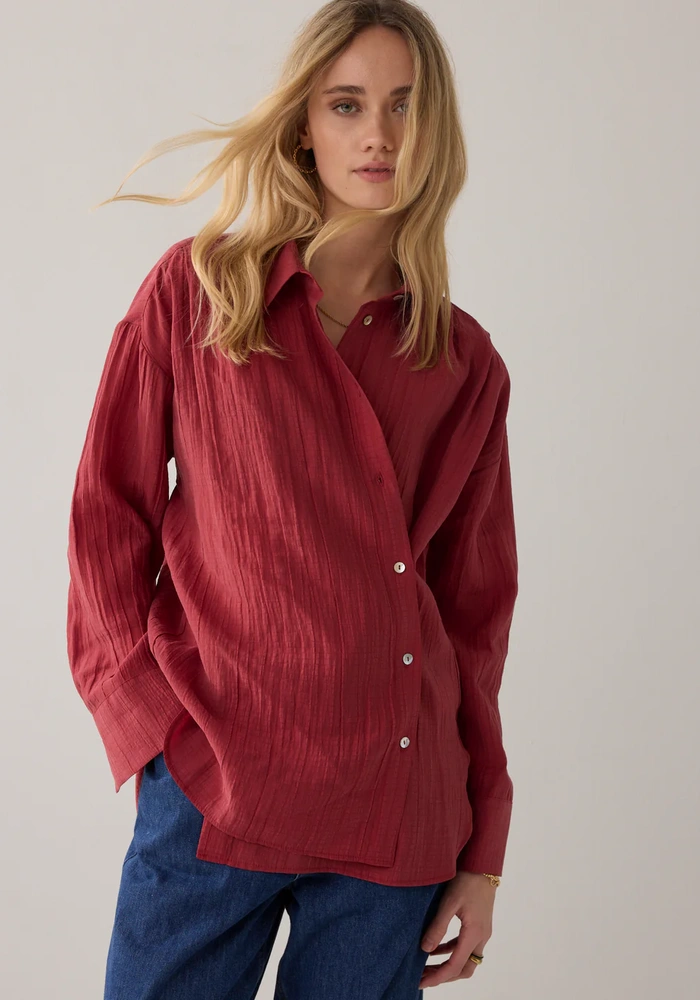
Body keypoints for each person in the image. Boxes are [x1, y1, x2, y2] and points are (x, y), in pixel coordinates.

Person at [66, 1, 519, 996]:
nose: (379, 134)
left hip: (396, 809)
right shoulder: (196, 295)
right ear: (305, 125)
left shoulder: (463, 362)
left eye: (405, 105)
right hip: (216, 787)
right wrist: (152, 736)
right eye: (347, 104)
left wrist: (482, 849)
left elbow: (473, 621)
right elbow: (106, 519)